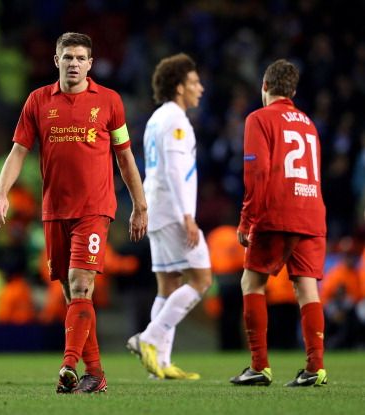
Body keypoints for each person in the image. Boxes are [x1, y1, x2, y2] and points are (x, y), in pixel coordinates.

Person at [0, 32, 148, 394]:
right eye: (68, 57)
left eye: (80, 58)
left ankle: (68, 364)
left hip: (94, 210)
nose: (74, 64)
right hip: (54, 211)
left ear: (90, 63)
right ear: (56, 61)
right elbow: (17, 152)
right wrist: (1, 194)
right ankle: (95, 374)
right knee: (71, 292)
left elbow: (124, 157)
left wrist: (140, 205)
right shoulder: (37, 101)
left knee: (81, 283)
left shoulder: (109, 102)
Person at [229, 59, 328, 387]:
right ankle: (315, 368)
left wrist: (247, 219)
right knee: (307, 288)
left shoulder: (259, 118)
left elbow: (257, 171)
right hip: (312, 211)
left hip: (277, 213)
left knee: (251, 283)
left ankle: (259, 366)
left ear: (265, 87)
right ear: (294, 91)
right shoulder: (309, 123)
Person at [126, 53, 212, 380]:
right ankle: (148, 338)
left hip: (156, 207)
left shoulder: (156, 119)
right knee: (202, 279)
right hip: (173, 210)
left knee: (168, 284)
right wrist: (188, 216)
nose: (200, 89)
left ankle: (159, 363)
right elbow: (177, 171)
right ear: (179, 87)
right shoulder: (176, 120)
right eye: (194, 82)